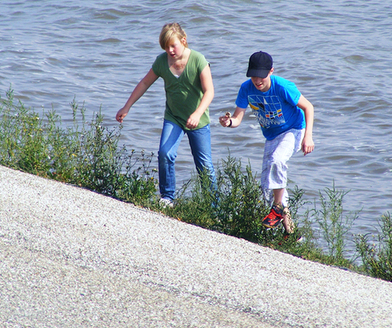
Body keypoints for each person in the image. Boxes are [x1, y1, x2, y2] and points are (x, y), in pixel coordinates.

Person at [116, 23, 217, 208]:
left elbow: (209, 91)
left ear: (183, 41)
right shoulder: (162, 62)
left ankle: (214, 207)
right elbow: (145, 83)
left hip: (198, 121)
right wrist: (127, 106)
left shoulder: (198, 60)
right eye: (166, 47)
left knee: (205, 166)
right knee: (165, 153)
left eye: (173, 46)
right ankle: (167, 198)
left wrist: (197, 113)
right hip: (174, 117)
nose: (170, 50)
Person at [219, 51, 314, 240]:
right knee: (267, 185)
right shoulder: (246, 88)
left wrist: (308, 137)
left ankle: (278, 208)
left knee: (277, 160)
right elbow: (238, 118)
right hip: (272, 136)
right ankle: (292, 233)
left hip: (294, 130)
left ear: (271, 71)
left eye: (261, 75)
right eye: (253, 75)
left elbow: (308, 107)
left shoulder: (283, 86)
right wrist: (228, 123)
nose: (257, 80)